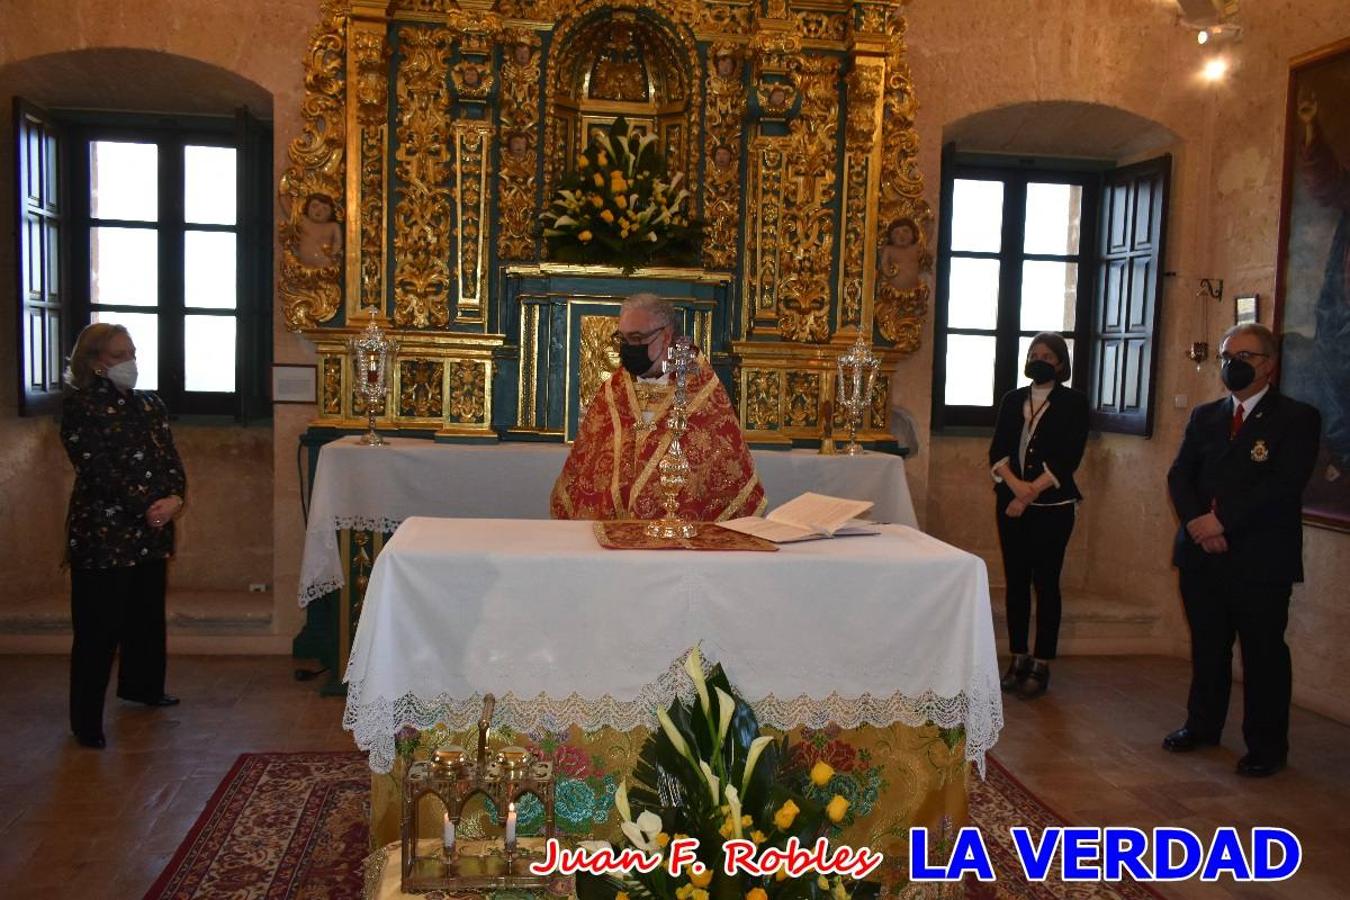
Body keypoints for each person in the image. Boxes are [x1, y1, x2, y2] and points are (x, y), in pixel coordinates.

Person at [1163, 323, 1320, 777]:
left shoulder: (1297, 418)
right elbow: (1179, 475)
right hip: (1201, 554)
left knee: (1263, 654)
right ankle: (1202, 725)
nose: (1234, 363)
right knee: (1208, 647)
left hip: (1260, 560)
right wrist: (1197, 523)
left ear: (1268, 365)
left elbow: (1283, 485)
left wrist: (1222, 520)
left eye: (1246, 356)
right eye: (1228, 354)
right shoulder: (1205, 415)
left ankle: (1267, 747)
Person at [61, 323, 186, 749]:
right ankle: (86, 720)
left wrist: (174, 498)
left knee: (146, 614)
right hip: (104, 530)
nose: (129, 362)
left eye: (131, 351)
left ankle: (143, 686)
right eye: (119, 355)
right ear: (95, 362)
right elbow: (96, 469)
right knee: (99, 625)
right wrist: (146, 507)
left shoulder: (149, 404)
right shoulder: (82, 407)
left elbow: (169, 457)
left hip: (150, 531)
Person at [551, 294, 766, 521]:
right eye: (622, 339)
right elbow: (589, 471)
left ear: (665, 336)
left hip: (679, 537)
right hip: (614, 534)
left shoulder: (702, 392)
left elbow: (722, 468)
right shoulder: (613, 391)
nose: (627, 348)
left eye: (636, 338)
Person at [988, 333, 1089, 699]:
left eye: (1047, 355)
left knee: (1046, 583)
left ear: (1060, 363)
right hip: (1011, 499)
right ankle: (1017, 656)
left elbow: (1068, 457)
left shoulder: (1074, 403)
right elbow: (998, 449)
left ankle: (1042, 661)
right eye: (1034, 353)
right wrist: (1015, 487)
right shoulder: (1013, 399)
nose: (1039, 359)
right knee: (1016, 581)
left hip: (1054, 506)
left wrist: (1030, 493)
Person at [297, 192, 341, 268]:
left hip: (324, 262)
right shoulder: (303, 220)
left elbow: (337, 242)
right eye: (314, 206)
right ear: (307, 207)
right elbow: (288, 209)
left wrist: (333, 252)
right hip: (302, 263)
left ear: (331, 213)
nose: (319, 211)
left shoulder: (332, 226)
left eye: (325, 209)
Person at [878, 217, 922, 293]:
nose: (902, 235)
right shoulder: (889, 249)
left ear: (914, 233)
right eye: (896, 232)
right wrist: (887, 272)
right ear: (891, 237)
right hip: (894, 289)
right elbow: (884, 263)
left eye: (906, 231)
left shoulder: (916, 247)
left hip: (914, 288)